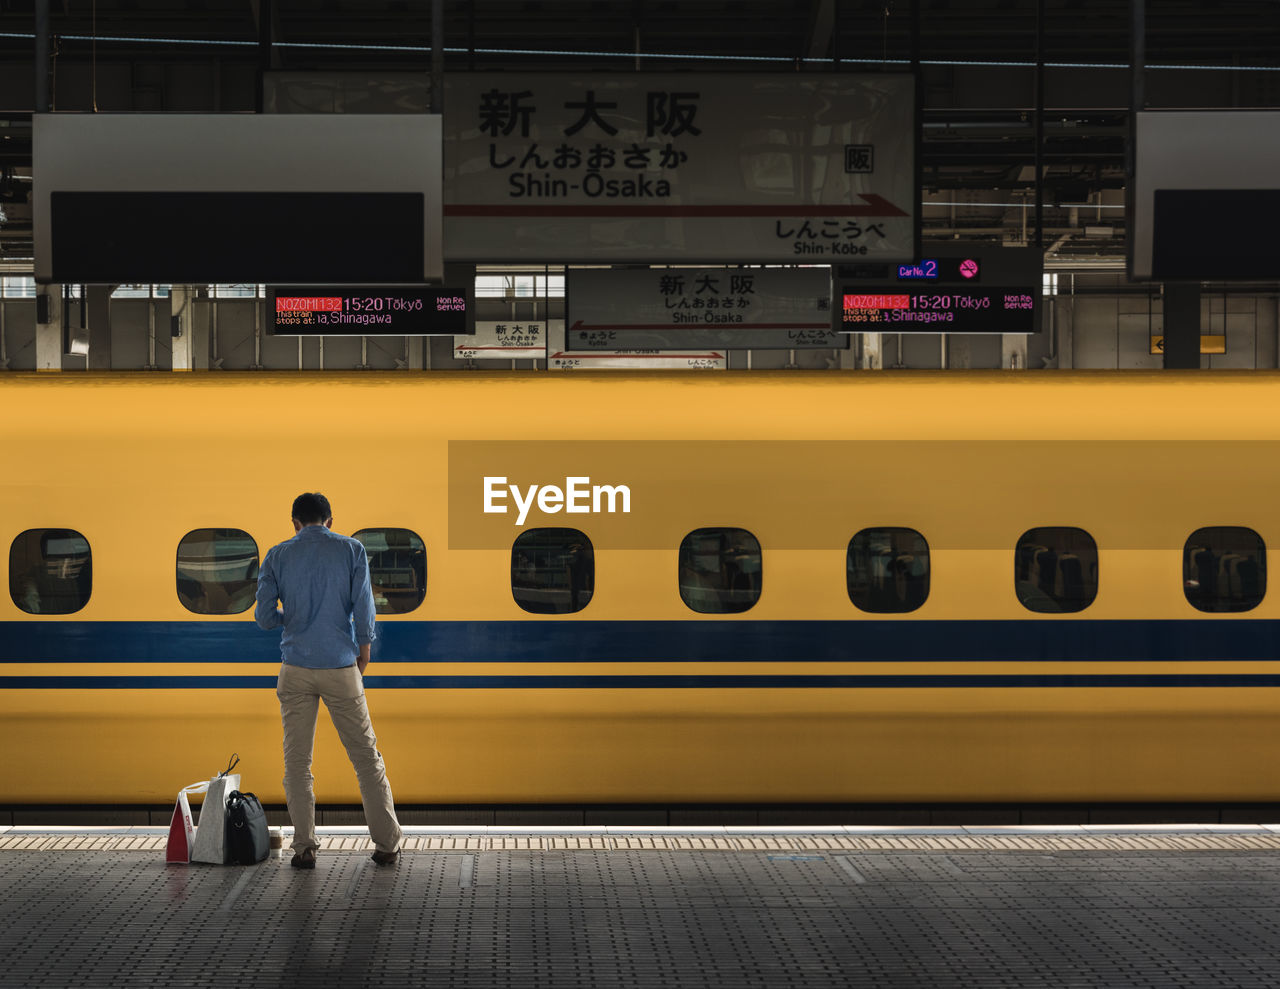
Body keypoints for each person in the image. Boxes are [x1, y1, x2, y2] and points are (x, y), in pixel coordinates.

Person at [255, 492, 403, 869]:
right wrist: (364, 650)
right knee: (366, 759)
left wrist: (292, 617)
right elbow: (365, 606)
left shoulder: (277, 555)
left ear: (295, 522)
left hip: (296, 668)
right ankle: (387, 844)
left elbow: (264, 617)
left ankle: (304, 848)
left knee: (297, 762)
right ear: (330, 521)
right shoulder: (351, 550)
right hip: (341, 667)